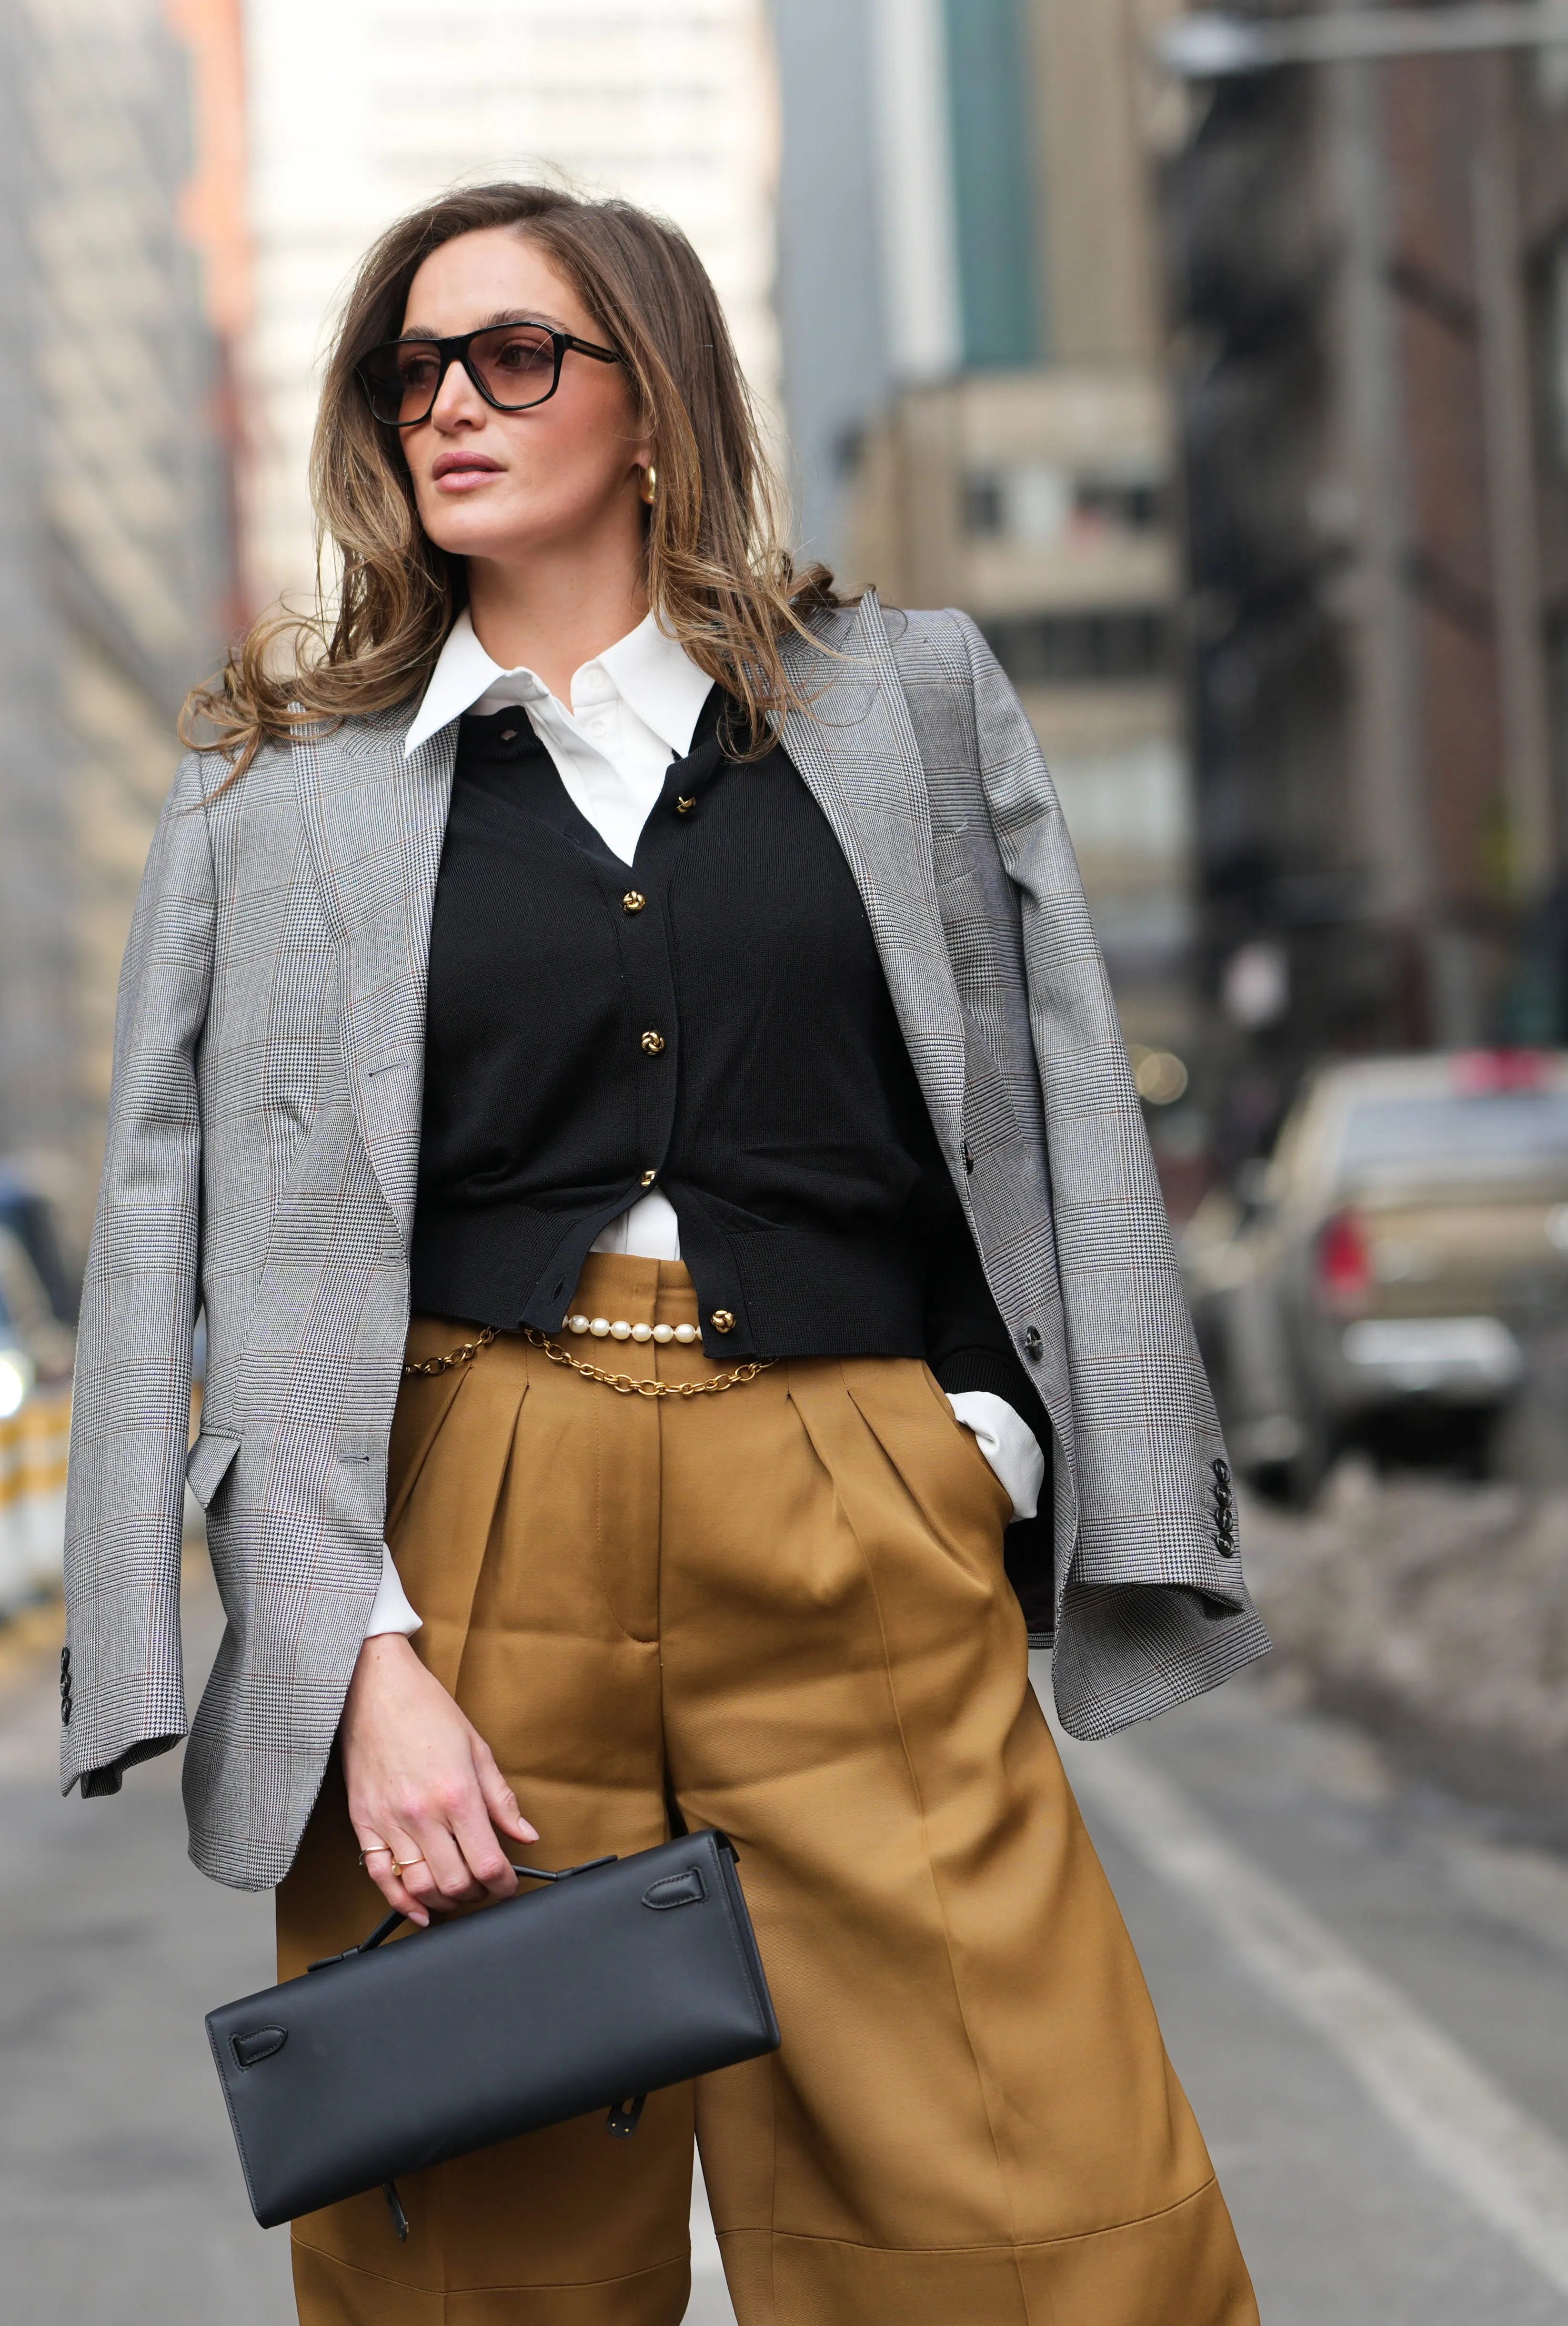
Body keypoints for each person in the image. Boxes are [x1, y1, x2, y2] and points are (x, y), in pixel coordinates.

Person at [64, 180, 1266, 2324]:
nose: (452, 404)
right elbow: (213, 1223)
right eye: (415, 370)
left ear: (654, 400)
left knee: (1035, 2206)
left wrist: (982, 1443)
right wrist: (359, 1658)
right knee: (481, 2262)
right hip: (465, 1527)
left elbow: (1044, 1088)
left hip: (848, 1499)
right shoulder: (284, 783)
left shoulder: (900, 699)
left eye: (516, 355)